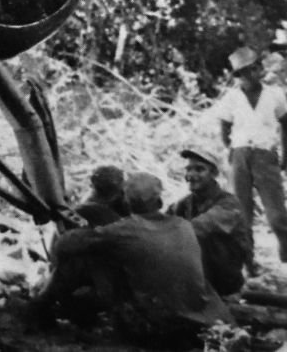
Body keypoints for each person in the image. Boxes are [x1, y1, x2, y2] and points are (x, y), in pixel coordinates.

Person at [27, 173, 231, 346]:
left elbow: (64, 246)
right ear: (160, 202)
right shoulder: (183, 226)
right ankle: (70, 309)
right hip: (198, 325)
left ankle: (39, 308)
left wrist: (87, 234)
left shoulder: (124, 230)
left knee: (88, 257)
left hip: (153, 329)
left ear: (126, 202)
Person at [214, 45, 287, 266]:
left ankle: (286, 256)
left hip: (265, 155)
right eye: (248, 70)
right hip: (240, 155)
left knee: (277, 214)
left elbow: (285, 124)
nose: (255, 73)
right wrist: (234, 150)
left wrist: (285, 153)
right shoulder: (232, 97)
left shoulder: (274, 94)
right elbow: (225, 128)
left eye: (256, 67)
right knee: (242, 214)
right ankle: (248, 262)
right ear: (240, 75)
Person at [167, 146, 251, 296]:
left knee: (194, 238)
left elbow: (198, 228)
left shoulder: (229, 204)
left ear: (214, 173)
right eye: (188, 169)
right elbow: (162, 222)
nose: (191, 175)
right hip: (198, 277)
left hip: (224, 281)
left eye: (199, 169)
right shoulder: (185, 203)